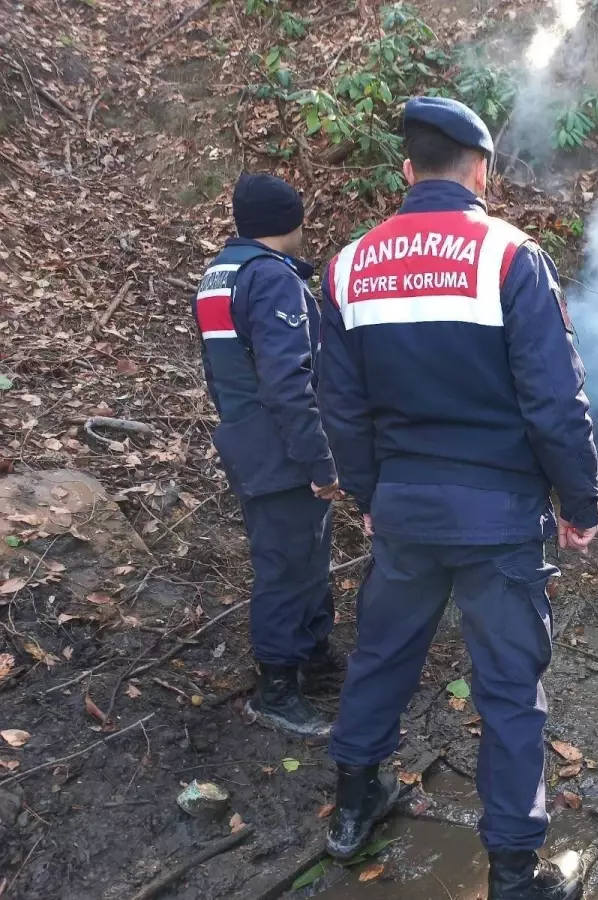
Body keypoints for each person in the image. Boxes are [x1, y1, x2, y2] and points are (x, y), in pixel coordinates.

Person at [318, 97, 598, 899]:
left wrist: (372, 493)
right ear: (484, 172)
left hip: (404, 508)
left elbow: (339, 405)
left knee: (381, 657)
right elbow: (555, 402)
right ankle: (514, 875)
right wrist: (579, 503)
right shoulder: (510, 257)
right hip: (499, 518)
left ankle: (350, 813)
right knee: (509, 689)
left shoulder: (347, 267)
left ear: (407, 172)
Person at [192, 172, 342, 738]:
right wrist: (319, 460)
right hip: (283, 448)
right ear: (292, 221)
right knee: (289, 566)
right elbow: (287, 382)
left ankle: (312, 657)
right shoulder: (273, 281)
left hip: (247, 438)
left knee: (302, 552)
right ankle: (278, 689)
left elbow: (219, 372)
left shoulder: (217, 276)